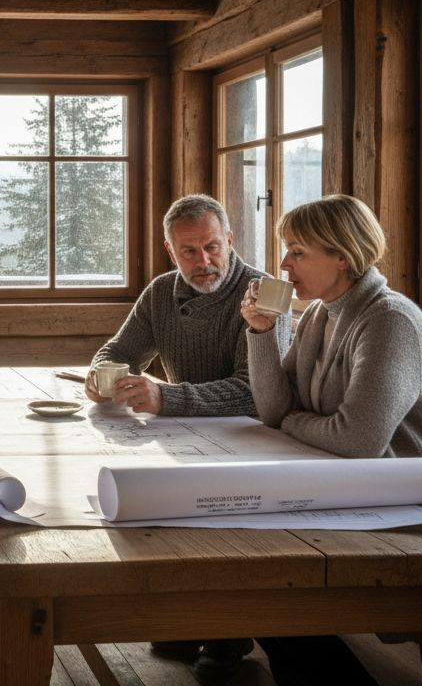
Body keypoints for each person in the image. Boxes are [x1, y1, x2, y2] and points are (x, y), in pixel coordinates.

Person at [239, 194, 422, 686]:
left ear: (342, 255)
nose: (283, 263)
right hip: (358, 491)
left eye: (298, 251)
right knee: (250, 571)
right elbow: (275, 409)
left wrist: (293, 423)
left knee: (268, 583)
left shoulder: (390, 320)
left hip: (421, 511)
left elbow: (357, 439)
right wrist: (262, 331)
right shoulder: (321, 315)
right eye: (286, 250)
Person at [86, 193, 290, 684]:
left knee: (220, 523)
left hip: (260, 442)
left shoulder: (264, 294)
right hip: (186, 434)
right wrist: (101, 373)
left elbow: (254, 395)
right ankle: (188, 615)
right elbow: (119, 349)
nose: (205, 261)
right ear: (169, 251)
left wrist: (167, 398)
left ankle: (227, 632)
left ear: (230, 240)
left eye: (213, 247)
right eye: (189, 252)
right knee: (152, 511)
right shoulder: (160, 292)